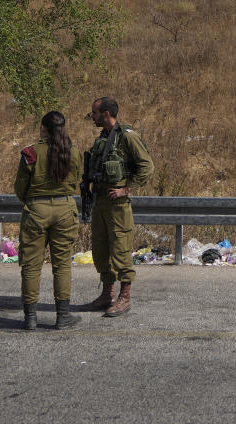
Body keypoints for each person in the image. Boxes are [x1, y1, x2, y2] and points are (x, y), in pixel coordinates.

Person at [84, 97, 155, 317]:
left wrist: (127, 189)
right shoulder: (104, 138)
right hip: (101, 202)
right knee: (100, 250)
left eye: (95, 113)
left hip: (118, 204)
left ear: (106, 114)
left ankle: (125, 297)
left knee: (121, 250)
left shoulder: (126, 136)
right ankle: (108, 294)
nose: (92, 116)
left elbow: (147, 166)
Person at [14, 111, 82, 331]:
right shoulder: (73, 152)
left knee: (31, 267)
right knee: (61, 265)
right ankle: (62, 317)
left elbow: (20, 188)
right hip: (65, 209)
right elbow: (75, 182)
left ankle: (30, 319)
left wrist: (33, 201)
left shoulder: (31, 153)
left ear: (43, 128)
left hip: (36, 210)